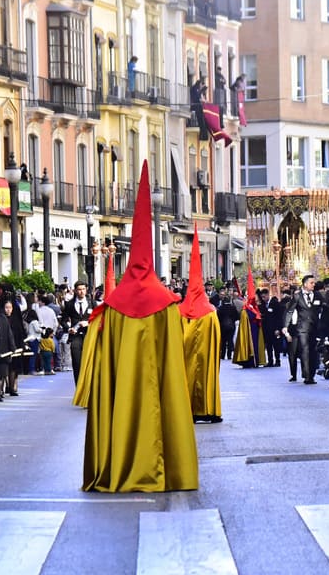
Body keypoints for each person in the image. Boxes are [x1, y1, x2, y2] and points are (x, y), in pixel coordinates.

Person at [83, 161, 198, 493]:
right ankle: (168, 469)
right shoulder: (166, 304)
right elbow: (174, 362)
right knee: (165, 395)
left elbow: (105, 367)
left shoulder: (114, 305)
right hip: (157, 398)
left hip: (122, 399)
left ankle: (119, 465)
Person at [179, 227, 222, 424]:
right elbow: (217, 341)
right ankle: (208, 408)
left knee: (186, 374)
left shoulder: (180, 313)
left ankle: (187, 409)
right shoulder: (211, 312)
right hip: (206, 357)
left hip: (185, 357)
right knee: (206, 374)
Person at [282, 275, 322, 384]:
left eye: (314, 283)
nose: (314, 285)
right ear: (305, 284)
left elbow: (323, 309)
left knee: (313, 352)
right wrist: (285, 326)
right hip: (302, 328)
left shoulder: (318, 295)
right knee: (305, 350)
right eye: (311, 283)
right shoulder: (297, 296)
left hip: (314, 328)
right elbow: (290, 311)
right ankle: (307, 375)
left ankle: (312, 374)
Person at [62, 280, 93, 385]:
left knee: (90, 363)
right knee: (77, 363)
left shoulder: (92, 303)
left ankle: (90, 388)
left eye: (83, 289)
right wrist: (68, 328)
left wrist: (88, 323)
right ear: (75, 291)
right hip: (75, 337)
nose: (81, 292)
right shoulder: (69, 304)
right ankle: (79, 388)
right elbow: (64, 320)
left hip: (90, 336)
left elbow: (100, 319)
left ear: (86, 289)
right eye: (79, 289)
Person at [2, 298, 25, 396]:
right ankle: (5, 387)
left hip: (15, 346)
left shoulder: (16, 320)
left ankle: (12, 387)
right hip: (4, 347)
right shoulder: (1, 319)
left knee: (13, 368)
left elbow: (20, 334)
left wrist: (21, 346)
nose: (8, 310)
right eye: (6, 307)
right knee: (4, 368)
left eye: (10, 308)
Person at [258, 288, 282, 367]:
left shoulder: (275, 303)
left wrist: (278, 329)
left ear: (268, 295)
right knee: (268, 346)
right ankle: (270, 361)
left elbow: (279, 317)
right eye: (262, 297)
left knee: (276, 345)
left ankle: (278, 360)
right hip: (266, 329)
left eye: (264, 297)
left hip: (274, 329)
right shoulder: (262, 305)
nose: (263, 299)